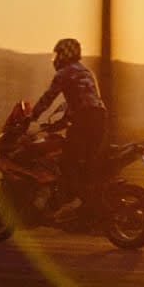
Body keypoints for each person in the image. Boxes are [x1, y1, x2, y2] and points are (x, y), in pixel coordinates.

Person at [29, 38, 108, 220]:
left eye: (56, 54)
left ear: (65, 54)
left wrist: (31, 117)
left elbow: (48, 98)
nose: (54, 59)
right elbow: (83, 103)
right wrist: (61, 123)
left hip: (84, 121)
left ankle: (73, 202)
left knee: (65, 162)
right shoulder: (87, 72)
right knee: (84, 162)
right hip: (99, 119)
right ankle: (87, 202)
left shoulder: (65, 73)